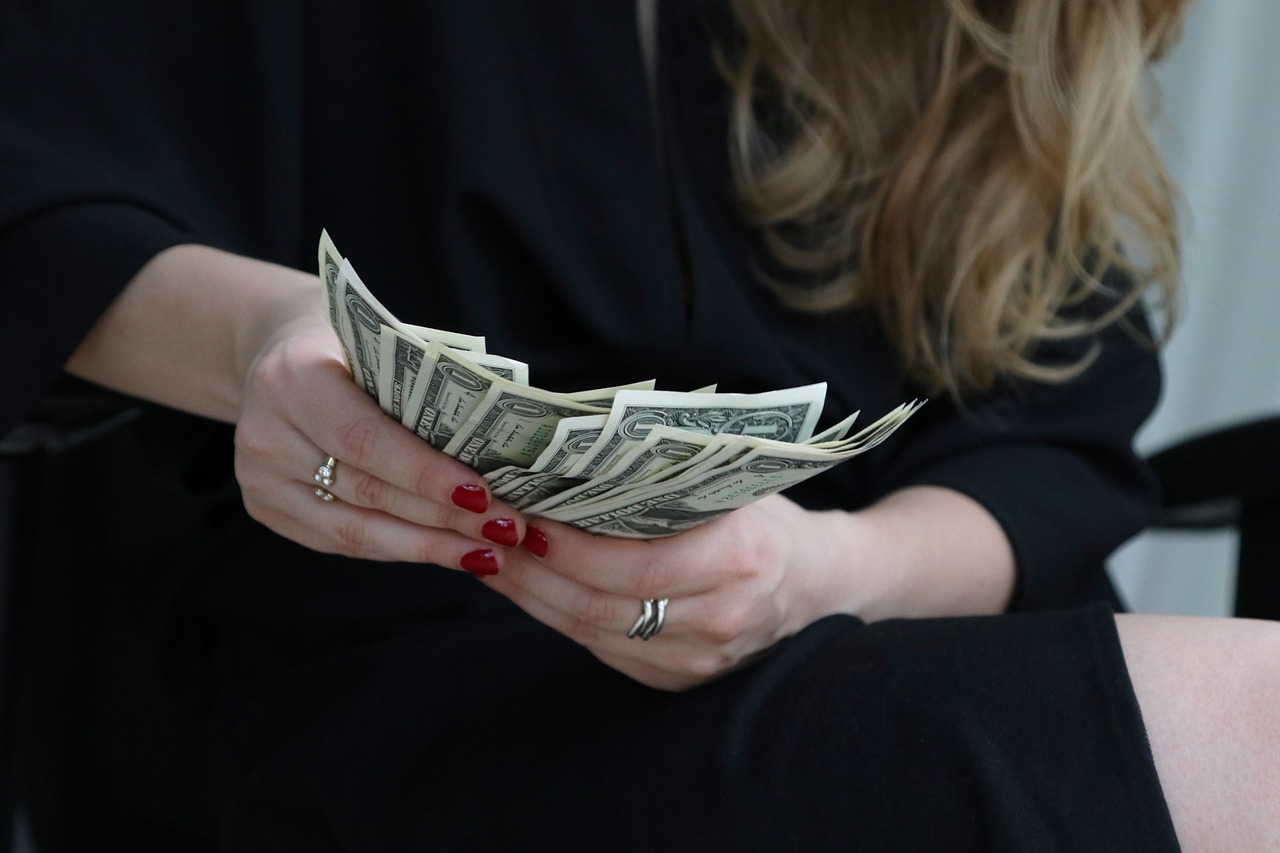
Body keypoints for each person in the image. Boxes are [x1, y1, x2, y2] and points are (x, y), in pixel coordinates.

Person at [0, 1, 1276, 850]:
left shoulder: (959, 34)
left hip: (892, 622)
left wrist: (827, 568)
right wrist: (259, 338)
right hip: (429, 689)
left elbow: (1050, 434)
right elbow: (44, 182)